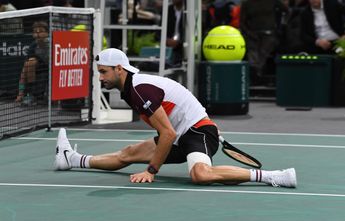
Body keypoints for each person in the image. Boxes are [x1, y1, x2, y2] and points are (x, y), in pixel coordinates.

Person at [54, 48, 297, 187]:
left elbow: (168, 133)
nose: (100, 77)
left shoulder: (139, 88)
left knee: (200, 175)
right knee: (128, 153)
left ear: (119, 69)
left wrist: (151, 170)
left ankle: (273, 176)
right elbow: (173, 121)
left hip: (196, 132)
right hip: (181, 134)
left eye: (103, 72)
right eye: (99, 72)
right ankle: (72, 159)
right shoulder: (130, 89)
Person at [239, 0, 288, 85]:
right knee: (253, 52)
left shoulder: (273, 1)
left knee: (263, 52)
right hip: (252, 34)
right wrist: (248, 33)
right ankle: (255, 74)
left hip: (270, 33)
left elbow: (286, 11)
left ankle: (257, 75)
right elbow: (242, 22)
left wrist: (280, 27)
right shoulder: (247, 3)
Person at [15, 21, 49, 105]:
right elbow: (23, 72)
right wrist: (20, 93)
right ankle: (31, 94)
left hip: (53, 69)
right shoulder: (33, 46)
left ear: (47, 33)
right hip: (41, 70)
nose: (37, 34)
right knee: (29, 64)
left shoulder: (53, 44)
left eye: (40, 31)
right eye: (35, 32)